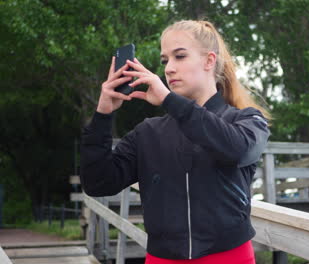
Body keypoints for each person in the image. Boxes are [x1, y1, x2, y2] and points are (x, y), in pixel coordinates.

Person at [80, 19, 271, 264]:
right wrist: (103, 115)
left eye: (179, 56)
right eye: (165, 60)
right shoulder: (148, 132)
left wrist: (170, 101)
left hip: (229, 257)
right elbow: (98, 183)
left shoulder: (247, 119)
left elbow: (236, 150)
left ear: (209, 61)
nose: (169, 68)